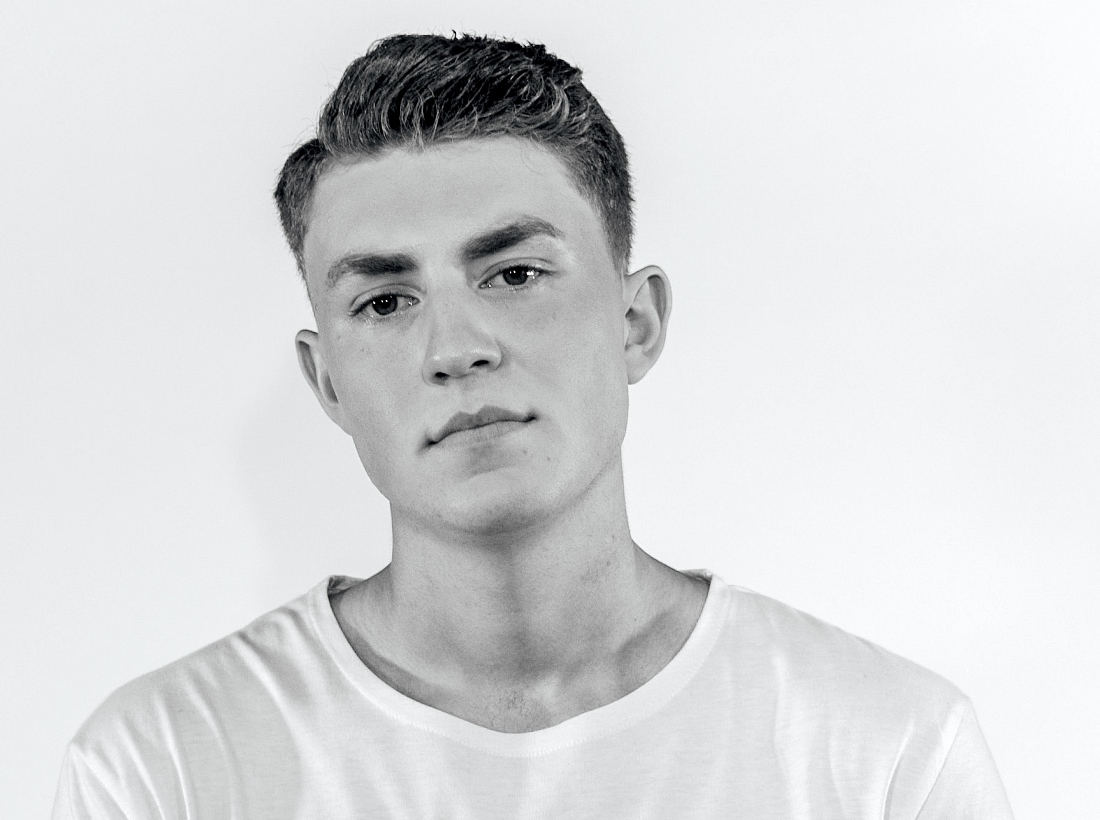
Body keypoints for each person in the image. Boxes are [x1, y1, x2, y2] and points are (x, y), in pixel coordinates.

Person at [52, 33, 1014, 819]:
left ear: (635, 323)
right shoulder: (162, 768)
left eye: (514, 274)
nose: (455, 347)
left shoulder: (887, 749)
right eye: (384, 301)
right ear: (328, 381)